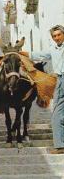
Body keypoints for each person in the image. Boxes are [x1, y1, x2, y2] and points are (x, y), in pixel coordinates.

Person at [31, 25, 64, 154]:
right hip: (59, 81)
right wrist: (21, 53)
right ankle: (60, 144)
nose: (56, 38)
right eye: (54, 36)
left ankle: (60, 145)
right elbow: (39, 54)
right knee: (58, 113)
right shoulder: (53, 49)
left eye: (59, 35)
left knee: (57, 114)